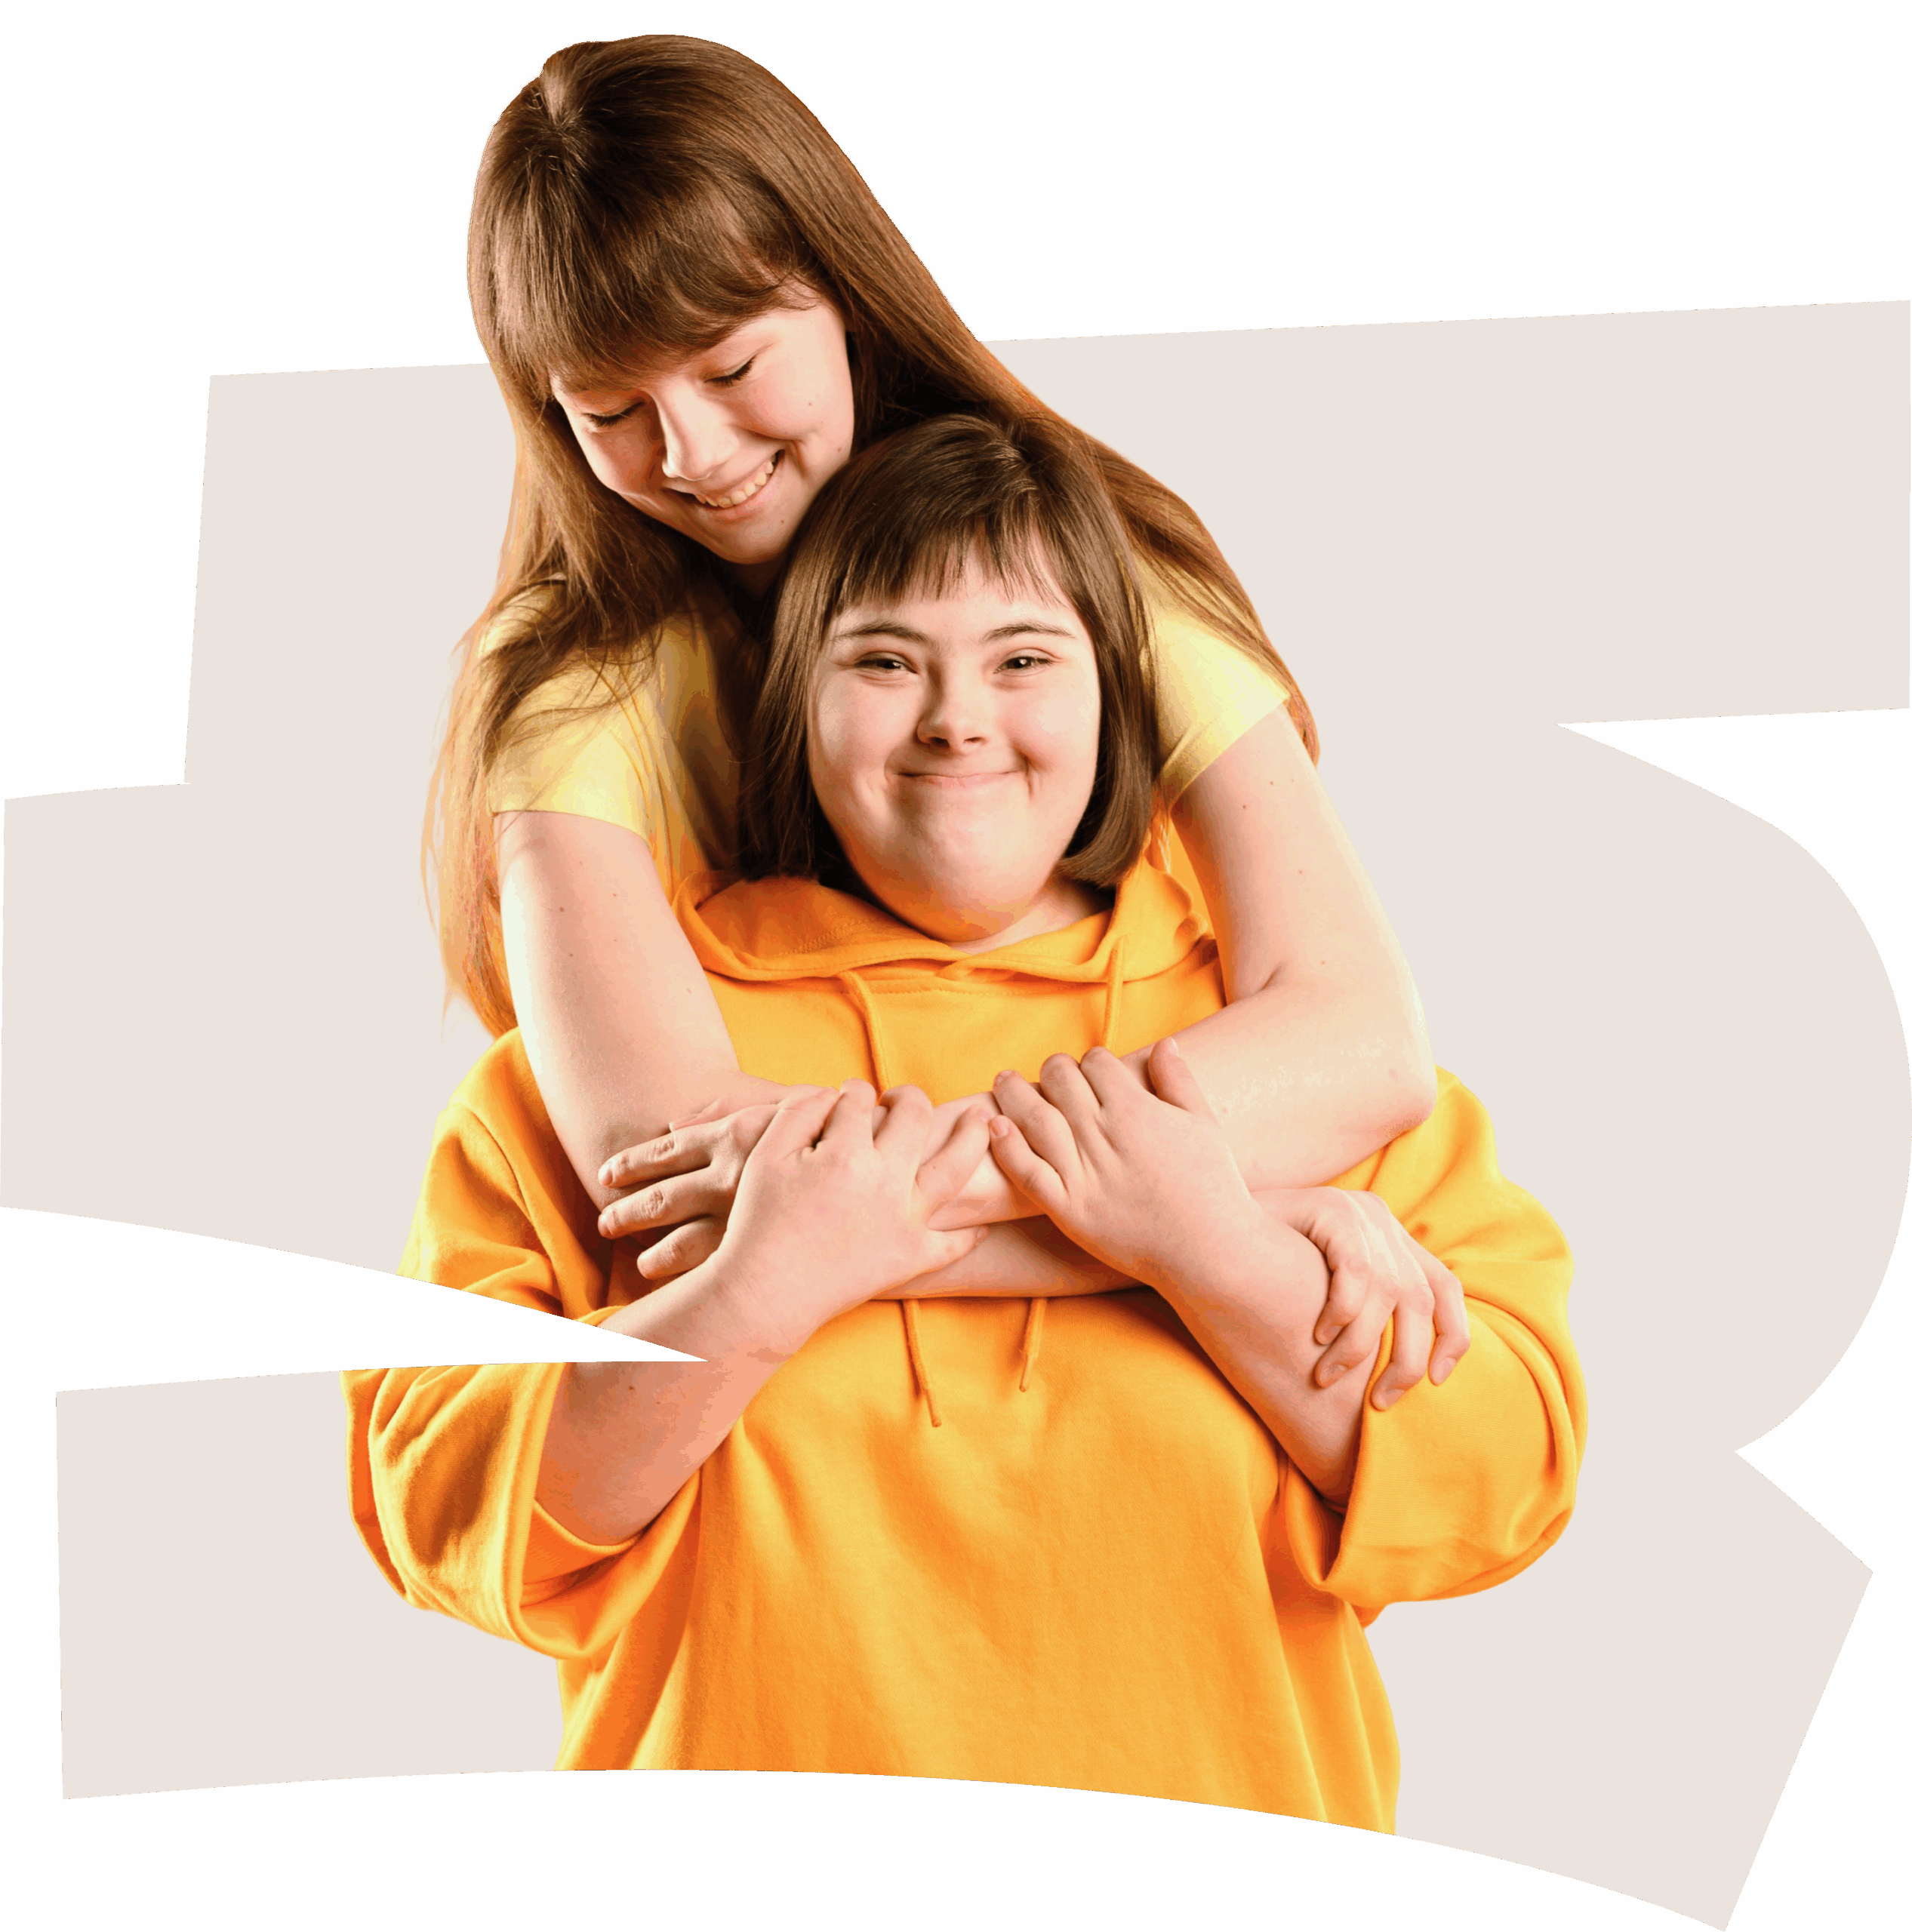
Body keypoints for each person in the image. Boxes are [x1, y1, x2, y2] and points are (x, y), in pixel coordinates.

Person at [348, 414, 1584, 1827]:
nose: (957, 717)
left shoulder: (1296, 1079)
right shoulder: (571, 1092)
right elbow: (440, 1508)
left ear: (1121, 697)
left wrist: (1222, 1254)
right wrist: (754, 1295)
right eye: (882, 660)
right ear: (789, 704)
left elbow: (1510, 1477)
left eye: (1024, 658)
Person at [433, 33, 1466, 1399]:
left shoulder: (1091, 557)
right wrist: (1222, 1230)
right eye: (610, 412)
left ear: (846, 299)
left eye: (733, 370)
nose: (691, 455)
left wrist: (1164, 1231)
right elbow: (674, 1184)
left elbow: (1355, 1038)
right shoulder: (577, 681)